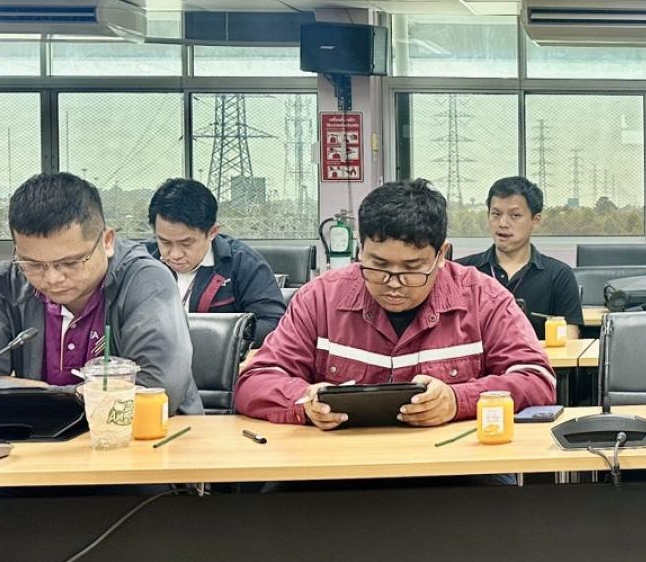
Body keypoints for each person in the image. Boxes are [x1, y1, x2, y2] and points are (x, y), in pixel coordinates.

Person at [235, 178, 554, 429]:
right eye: (378, 265)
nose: (393, 283)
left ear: (441, 255)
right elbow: (255, 381)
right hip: (338, 468)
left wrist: (458, 400)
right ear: (360, 250)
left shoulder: (484, 298)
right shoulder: (320, 298)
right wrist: (305, 401)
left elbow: (536, 379)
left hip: (453, 470)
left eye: (412, 268)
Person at [0, 172, 200, 414]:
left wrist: (34, 393)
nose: (52, 278)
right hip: (43, 438)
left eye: (70, 263)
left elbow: (155, 391)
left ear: (107, 241)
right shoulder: (4, 285)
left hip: (152, 440)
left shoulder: (147, 281)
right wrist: (63, 394)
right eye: (33, 264)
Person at [145, 178, 288, 346]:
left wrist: (221, 336)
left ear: (212, 232)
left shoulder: (244, 264)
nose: (175, 254)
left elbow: (274, 324)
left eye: (186, 243)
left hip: (219, 360)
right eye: (165, 242)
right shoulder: (142, 262)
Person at [458, 176, 583, 338]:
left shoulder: (559, 275)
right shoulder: (463, 272)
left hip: (537, 355)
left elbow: (569, 339)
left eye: (515, 215)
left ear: (535, 220)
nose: (503, 223)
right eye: (496, 214)